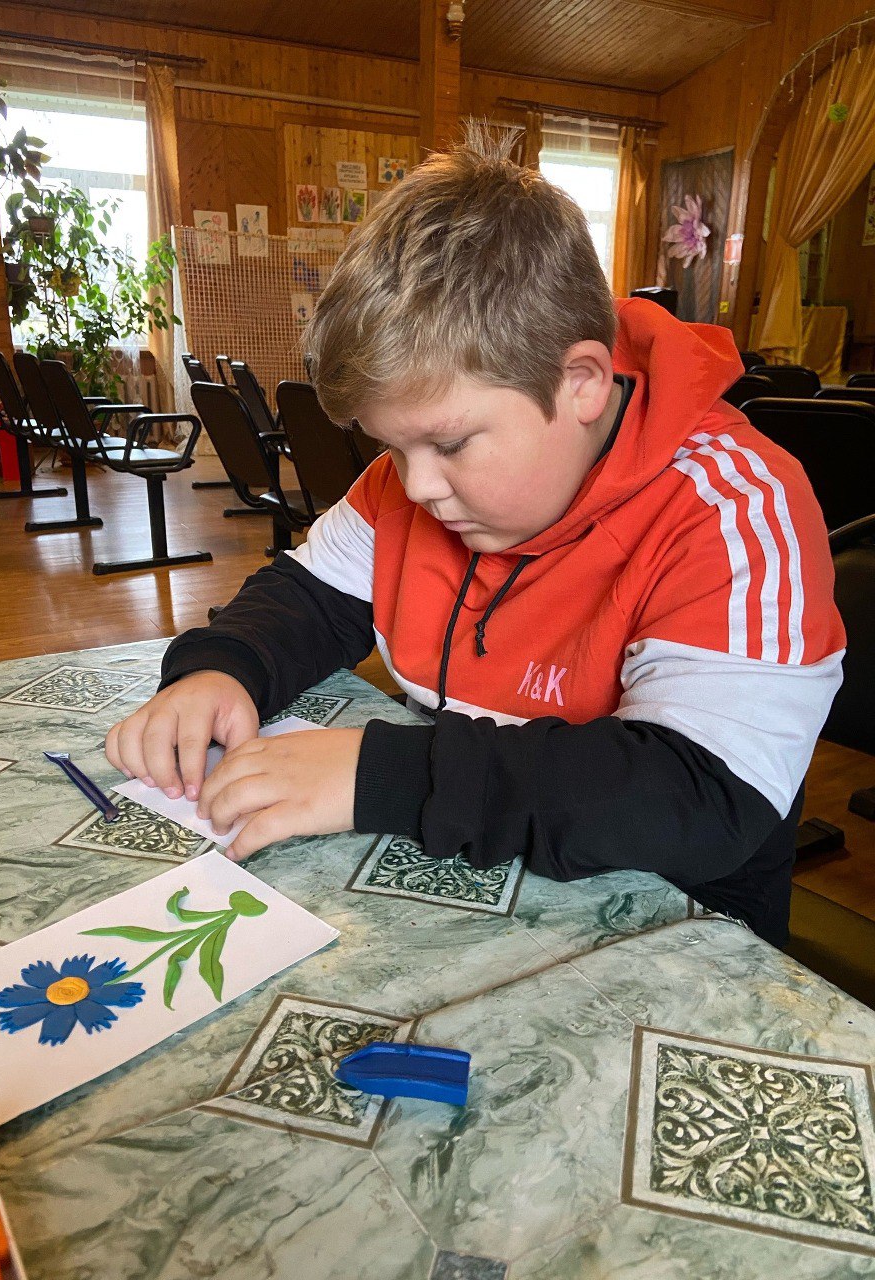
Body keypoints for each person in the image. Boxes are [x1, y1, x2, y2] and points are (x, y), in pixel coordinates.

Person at [106, 128, 844, 946]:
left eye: (450, 444)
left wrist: (382, 774)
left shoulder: (736, 508)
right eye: (393, 447)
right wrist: (223, 668)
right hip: (482, 885)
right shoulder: (418, 481)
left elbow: (698, 799)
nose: (416, 484)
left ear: (581, 383)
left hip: (677, 934)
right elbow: (308, 595)